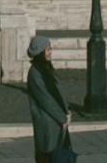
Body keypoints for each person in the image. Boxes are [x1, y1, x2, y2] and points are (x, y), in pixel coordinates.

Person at [24, 34, 71, 162]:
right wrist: (62, 118)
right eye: (48, 49)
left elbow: (57, 92)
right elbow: (46, 100)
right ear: (40, 51)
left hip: (55, 122)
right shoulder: (35, 73)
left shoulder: (46, 69)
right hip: (47, 124)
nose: (50, 52)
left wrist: (66, 111)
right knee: (47, 156)